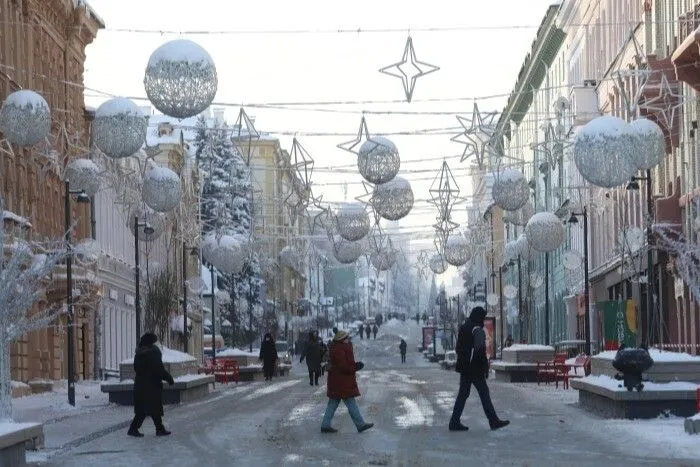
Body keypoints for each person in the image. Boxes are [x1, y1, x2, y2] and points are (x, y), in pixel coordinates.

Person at [449, 307, 510, 432]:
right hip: (475, 369)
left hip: (465, 368)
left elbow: (458, 348)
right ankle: (493, 421)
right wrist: (484, 368)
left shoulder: (464, 327)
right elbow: (479, 350)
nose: (483, 319)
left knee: (463, 394)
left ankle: (454, 421)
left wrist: (464, 361)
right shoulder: (477, 329)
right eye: (483, 316)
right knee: (484, 394)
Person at [320, 330, 373, 434]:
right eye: (347, 338)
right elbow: (343, 366)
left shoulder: (337, 347)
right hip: (342, 382)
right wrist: (356, 367)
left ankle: (325, 425)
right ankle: (360, 424)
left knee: (333, 403)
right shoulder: (340, 349)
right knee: (350, 403)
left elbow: (343, 364)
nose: (348, 339)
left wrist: (354, 365)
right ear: (342, 339)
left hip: (337, 381)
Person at [127, 332, 175, 437]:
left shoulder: (139, 353)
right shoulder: (153, 352)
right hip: (152, 385)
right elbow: (158, 369)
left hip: (140, 385)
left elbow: (137, 368)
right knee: (153, 408)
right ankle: (138, 429)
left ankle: (157, 428)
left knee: (145, 410)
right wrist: (169, 378)